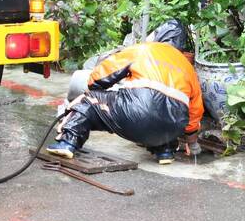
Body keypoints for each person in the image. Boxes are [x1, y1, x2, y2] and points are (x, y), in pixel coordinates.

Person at [48, 26, 203, 164]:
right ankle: (165, 151)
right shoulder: (188, 68)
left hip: (137, 115)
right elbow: (195, 112)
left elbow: (101, 76)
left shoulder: (144, 49)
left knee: (87, 101)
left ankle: (67, 143)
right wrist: (192, 141)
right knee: (164, 113)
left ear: (159, 36)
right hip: (171, 130)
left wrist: (96, 88)